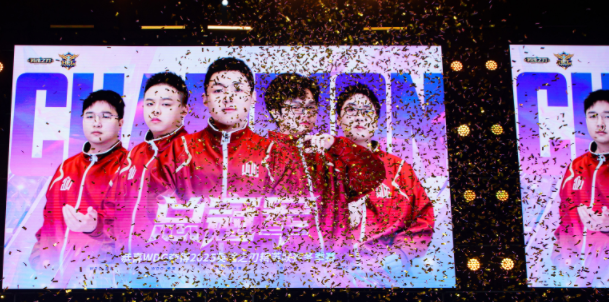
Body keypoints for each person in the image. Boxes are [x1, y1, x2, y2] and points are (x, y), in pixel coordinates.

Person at [152, 58, 306, 286]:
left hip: (256, 279)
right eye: (218, 90)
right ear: (205, 98)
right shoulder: (179, 149)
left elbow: (290, 221)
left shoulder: (274, 154)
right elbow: (155, 212)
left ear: (252, 97)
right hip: (190, 279)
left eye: (238, 89)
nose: (228, 97)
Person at [264, 73, 385, 286]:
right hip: (289, 275)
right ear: (276, 112)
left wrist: (337, 145)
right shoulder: (264, 154)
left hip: (339, 272)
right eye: (296, 107)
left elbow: (373, 175)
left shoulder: (328, 153)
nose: (306, 114)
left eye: (311, 107)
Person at [334, 83, 434, 286]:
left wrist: (402, 253)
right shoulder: (322, 165)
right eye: (351, 110)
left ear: (376, 121)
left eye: (367, 111)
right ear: (339, 120)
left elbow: (423, 217)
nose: (359, 117)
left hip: (384, 278)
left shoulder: (399, 169)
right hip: (329, 277)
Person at [29, 90, 129, 288]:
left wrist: (95, 227)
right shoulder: (66, 167)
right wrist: (39, 256)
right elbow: (49, 217)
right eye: (90, 116)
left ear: (120, 122)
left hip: (99, 284)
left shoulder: (130, 167)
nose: (96, 123)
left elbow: (135, 229)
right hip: (50, 282)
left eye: (105, 116)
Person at [105, 72, 190, 277]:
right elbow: (112, 206)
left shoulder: (191, 153)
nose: (156, 110)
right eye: (150, 103)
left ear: (184, 110)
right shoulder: (134, 154)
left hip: (169, 273)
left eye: (166, 104)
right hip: (124, 269)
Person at [553, 89, 609, 284]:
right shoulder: (576, 166)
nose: (600, 123)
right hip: (567, 278)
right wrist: (557, 256)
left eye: (608, 116)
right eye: (593, 116)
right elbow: (565, 216)